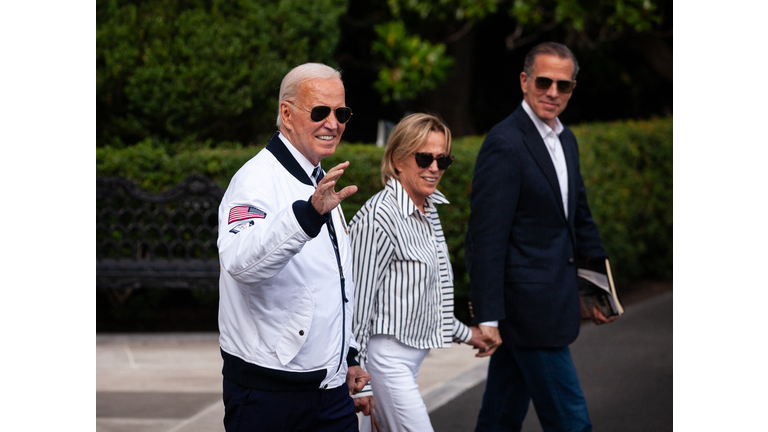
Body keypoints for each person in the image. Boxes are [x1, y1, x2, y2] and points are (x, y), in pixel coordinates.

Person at [465, 42, 617, 432]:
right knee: (571, 421)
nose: (553, 92)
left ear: (572, 89)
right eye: (544, 81)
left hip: (554, 301)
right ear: (524, 81)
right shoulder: (505, 143)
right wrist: (487, 316)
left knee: (500, 416)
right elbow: (486, 238)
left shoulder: (566, 140)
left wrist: (596, 289)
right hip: (529, 312)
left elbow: (578, 218)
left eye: (563, 85)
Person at [217, 62, 373, 432]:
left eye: (341, 113)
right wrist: (308, 215)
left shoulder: (317, 178)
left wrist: (347, 356)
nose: (333, 123)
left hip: (329, 388)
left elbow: (332, 282)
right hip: (269, 392)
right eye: (320, 111)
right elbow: (240, 263)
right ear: (287, 114)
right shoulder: (255, 181)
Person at [349, 113, 487, 432]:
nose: (434, 168)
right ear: (398, 160)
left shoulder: (429, 209)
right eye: (424, 157)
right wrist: (360, 377)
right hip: (385, 361)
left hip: (409, 360)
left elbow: (427, 302)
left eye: (443, 159)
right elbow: (355, 305)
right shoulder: (379, 217)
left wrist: (470, 335)